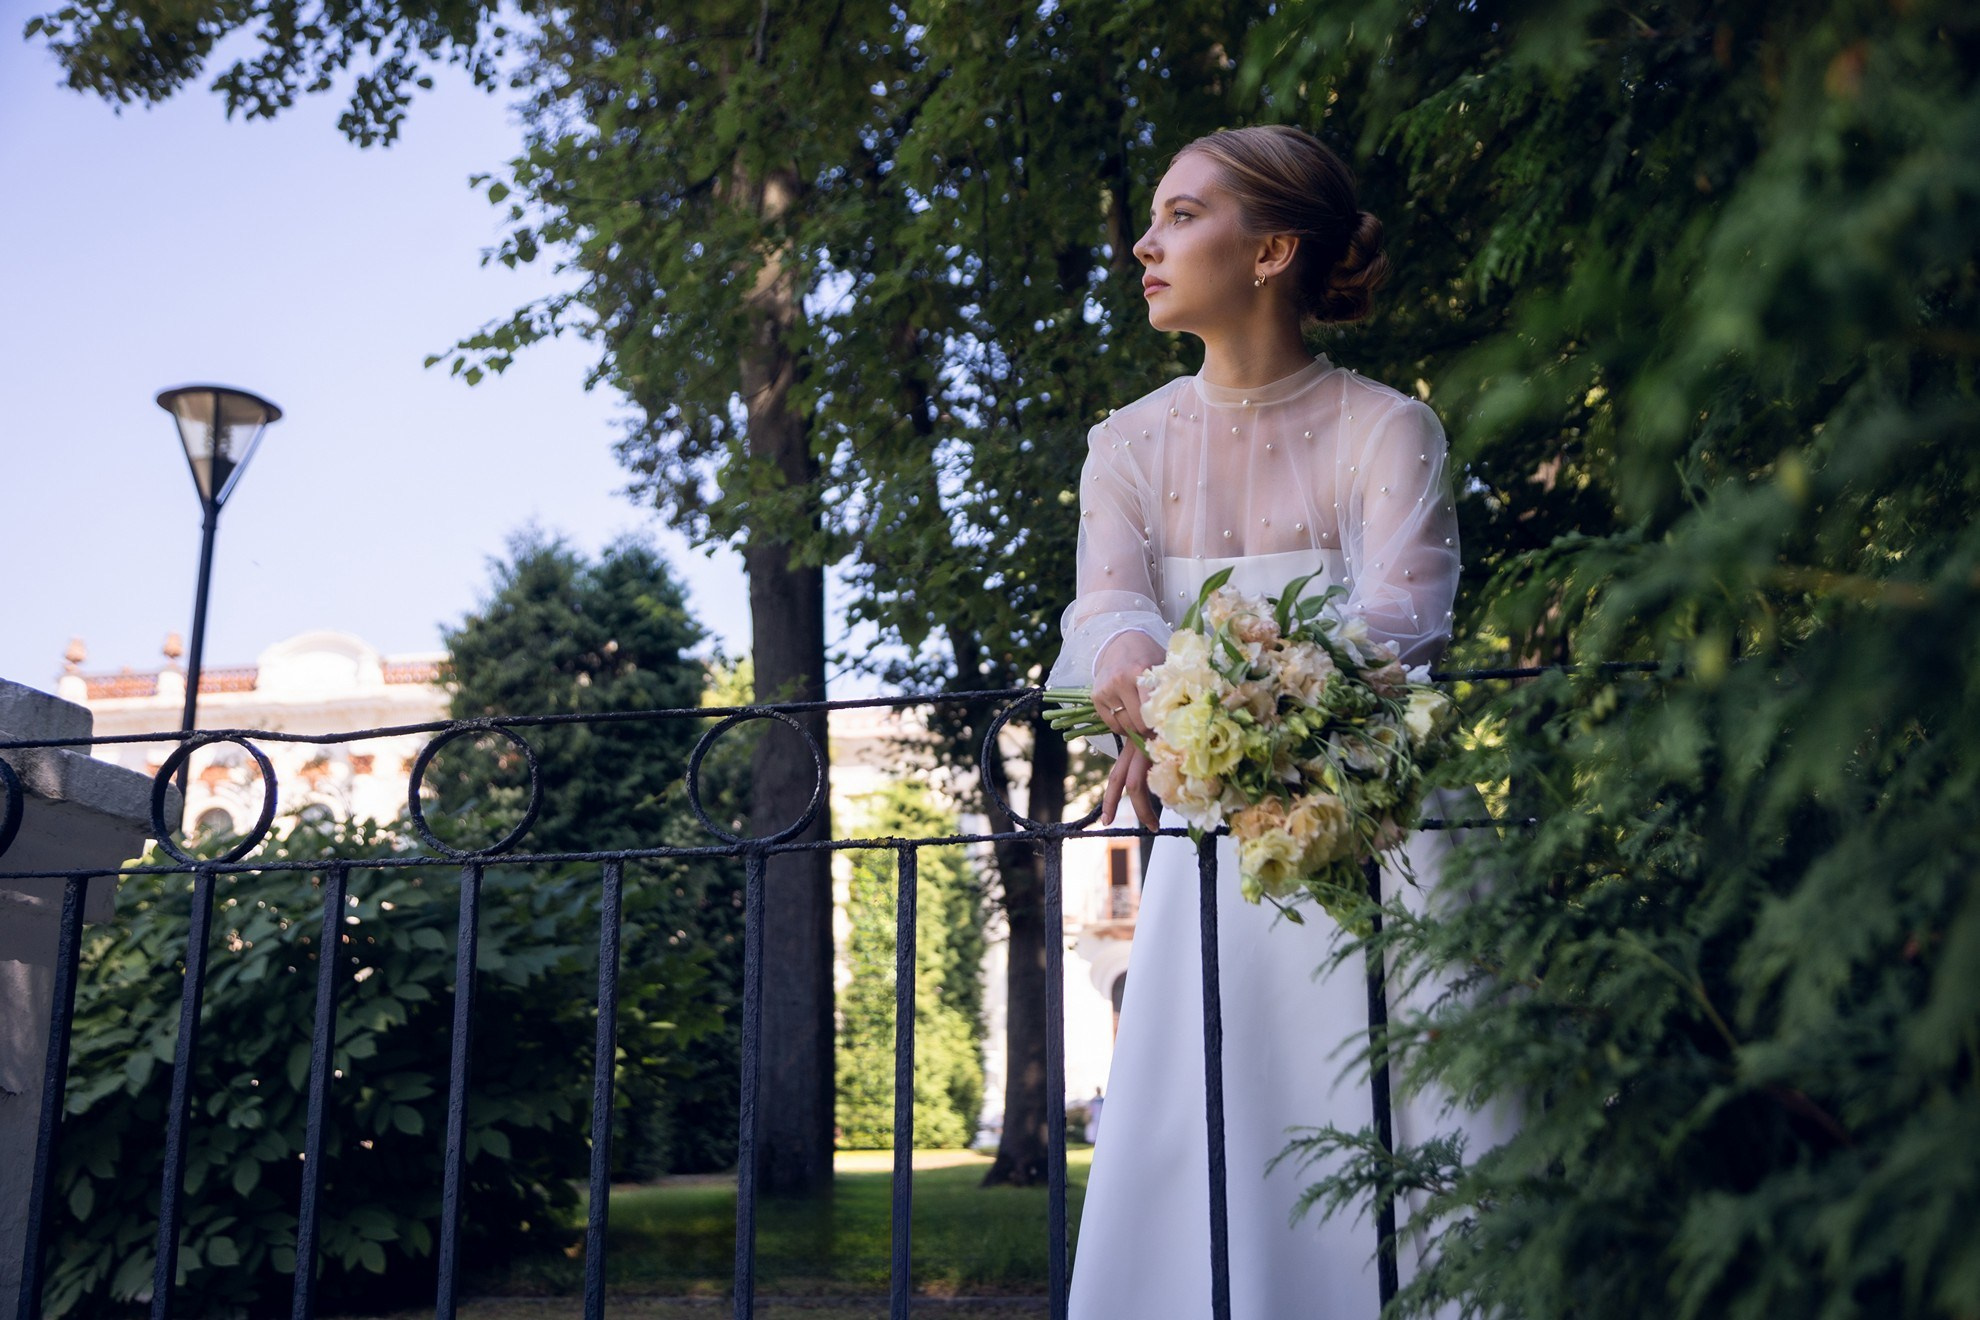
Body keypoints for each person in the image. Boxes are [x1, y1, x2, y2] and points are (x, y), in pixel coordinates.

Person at [1053, 125, 1512, 1318]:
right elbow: (1106, 601)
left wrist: (1245, 709)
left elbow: (1401, 620)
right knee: (1213, 1134)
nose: (1146, 244)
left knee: (1397, 1125)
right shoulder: (1125, 445)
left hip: (1378, 841)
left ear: (1272, 251)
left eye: (1183, 215)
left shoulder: (1387, 428)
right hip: (1209, 851)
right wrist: (1150, 689)